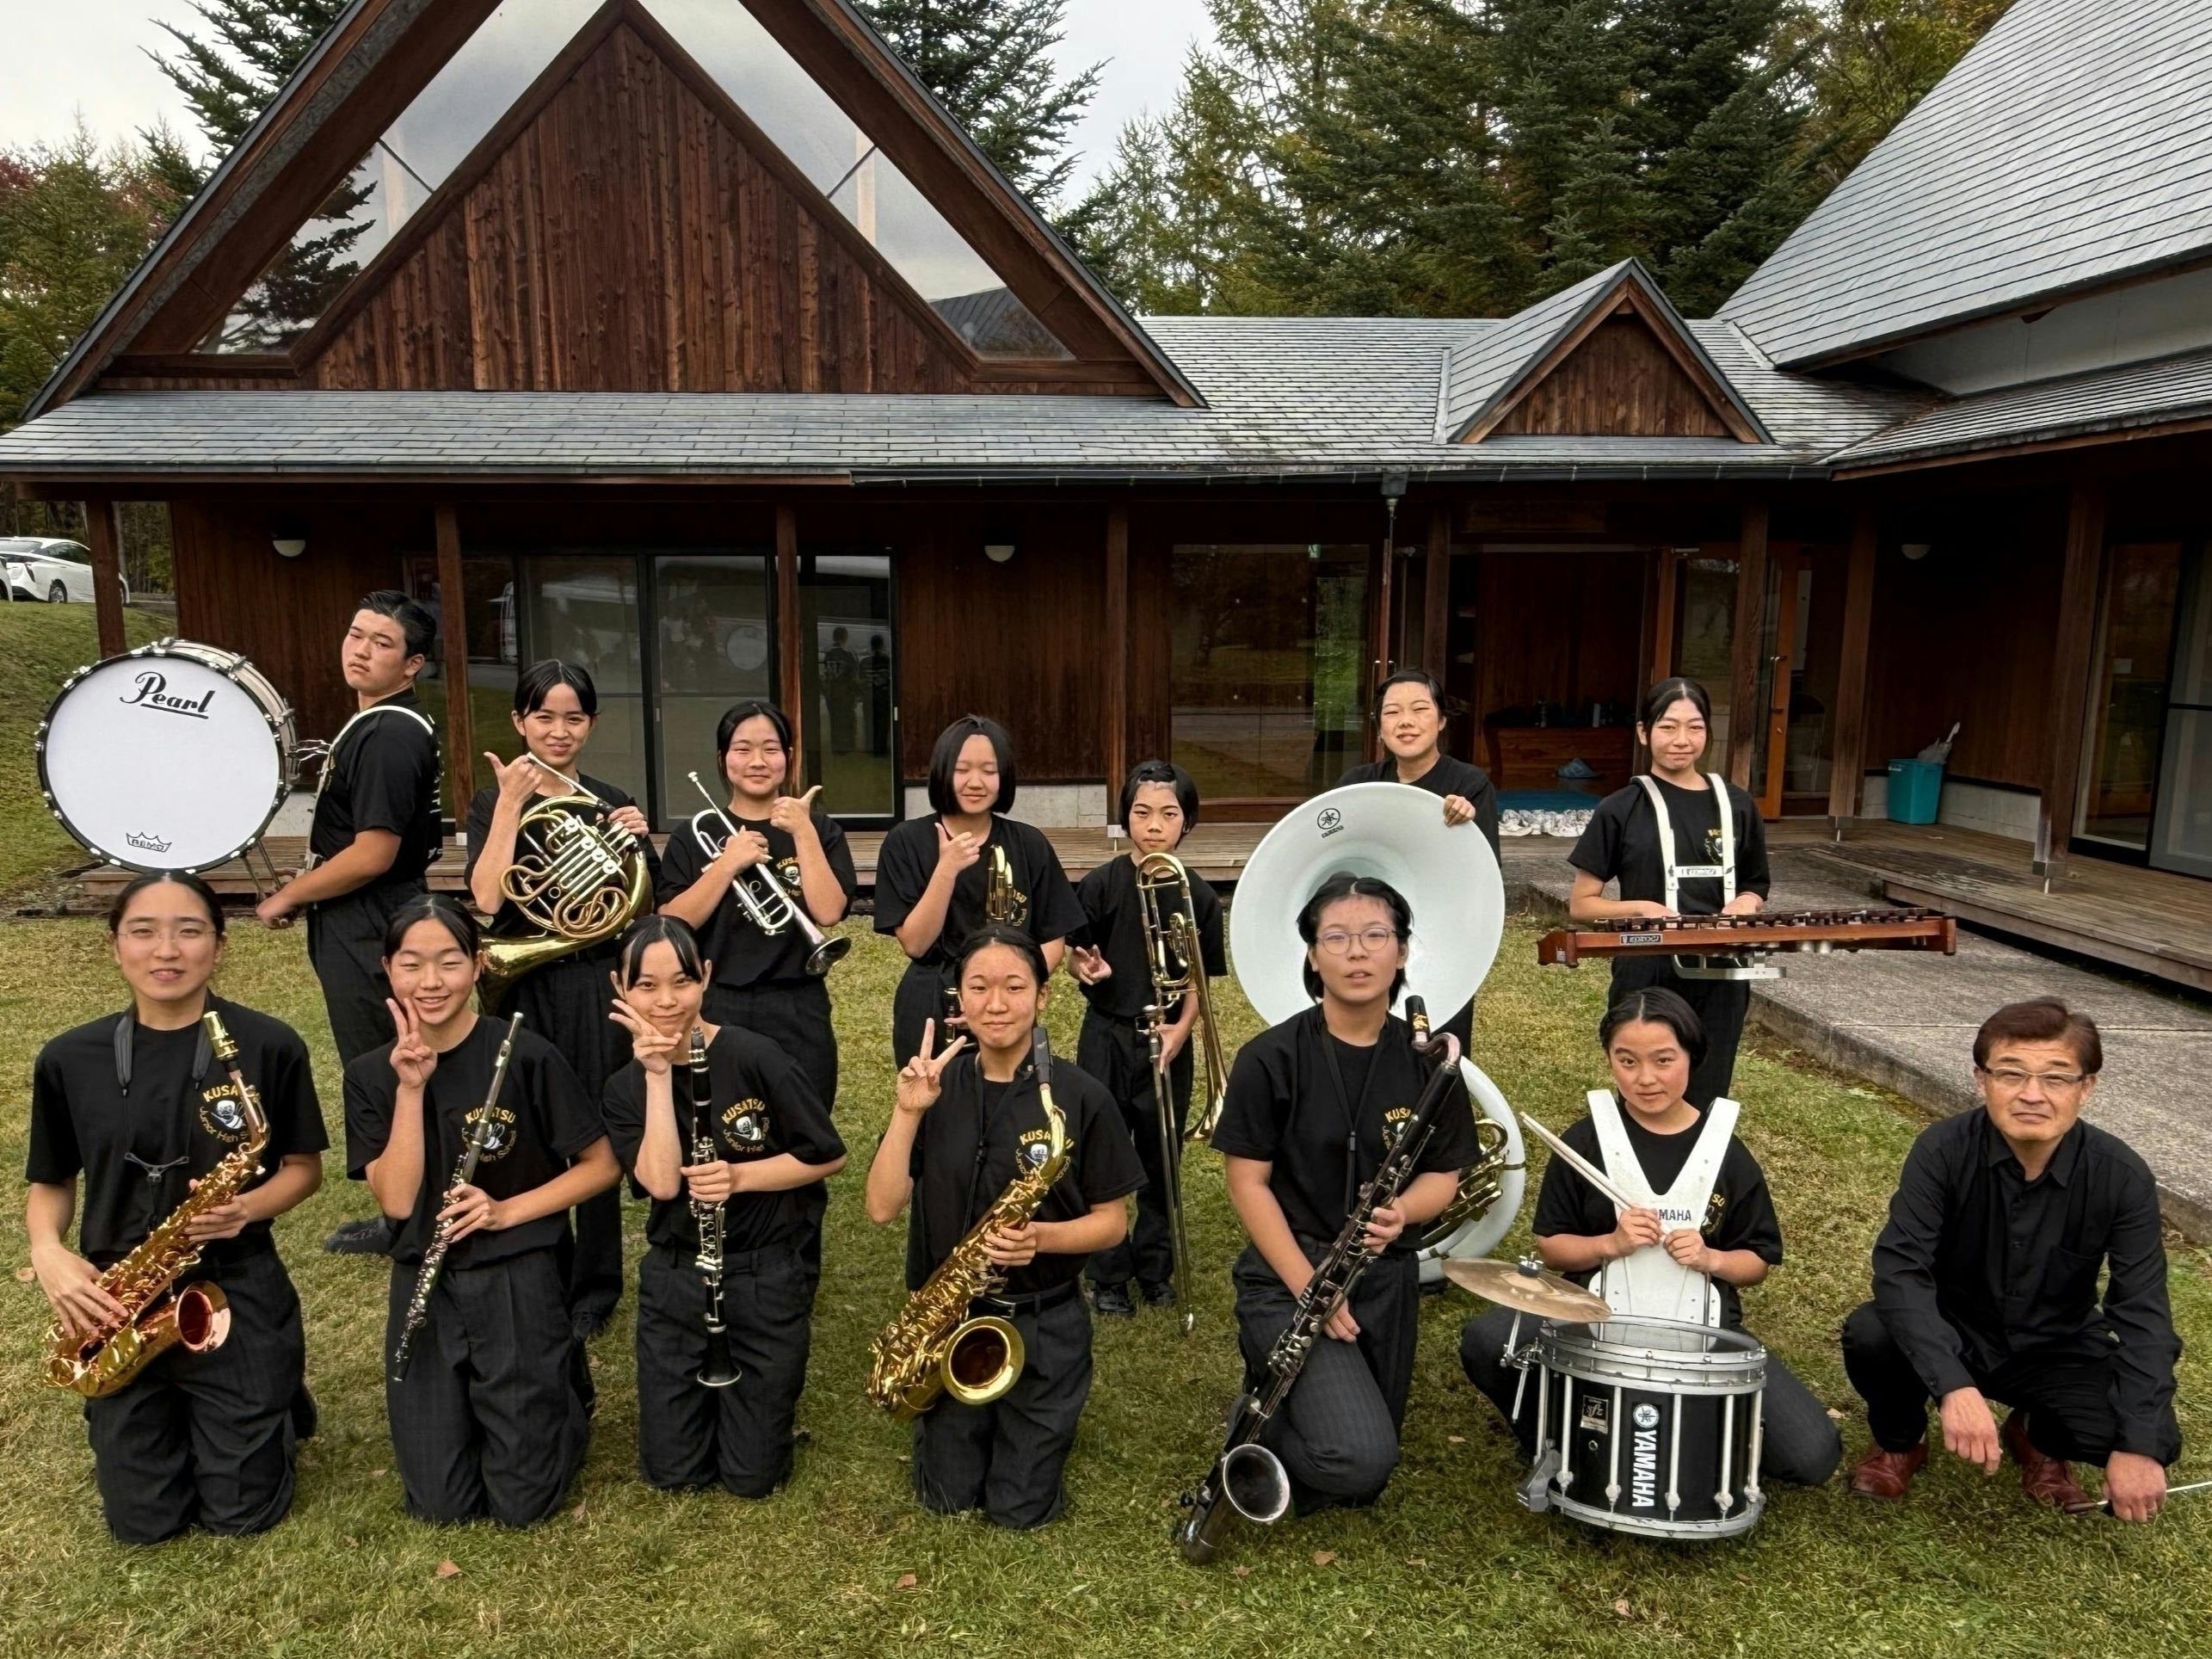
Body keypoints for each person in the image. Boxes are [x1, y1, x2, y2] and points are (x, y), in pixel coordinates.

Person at [27, 872, 325, 1545]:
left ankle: (272, 1402)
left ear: (218, 946)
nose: (167, 950)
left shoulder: (269, 1045)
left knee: (241, 1516)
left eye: (189, 931)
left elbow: (303, 1170)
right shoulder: (69, 1057)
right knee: (143, 1523)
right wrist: (47, 1250)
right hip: (120, 1301)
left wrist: (245, 1208)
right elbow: (50, 1179)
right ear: (115, 946)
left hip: (234, 1283)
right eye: (144, 932)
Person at [1457, 987, 1840, 1488]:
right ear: (1609, 1060)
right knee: (1489, 1341)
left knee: (1810, 1455)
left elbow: (1757, 1261)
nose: (1645, 1078)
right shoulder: (1586, 1139)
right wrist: (1609, 1245)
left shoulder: (1726, 1152)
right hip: (1591, 1316)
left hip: (1702, 1329)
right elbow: (1552, 1246)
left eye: (1664, 1060)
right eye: (1627, 1061)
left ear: (1691, 1057)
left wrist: (1712, 1259)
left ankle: (1699, 1436)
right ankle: (1562, 1438)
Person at [1843, 998, 2182, 1520]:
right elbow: (1901, 1272)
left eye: (2056, 1078)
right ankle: (1901, 1441)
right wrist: (1953, 1385)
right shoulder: (1942, 1150)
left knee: (2146, 1436)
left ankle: (2036, 1435)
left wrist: (2138, 1446)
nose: (2032, 1094)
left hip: (2056, 1345)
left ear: (2086, 1087)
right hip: (1955, 1329)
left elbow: (2144, 1314)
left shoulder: (2122, 1176)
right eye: (2011, 1074)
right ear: (1982, 1080)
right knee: (1873, 1333)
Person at [347, 896, 620, 1527]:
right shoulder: (370, 1074)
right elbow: (396, 1201)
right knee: (440, 1505)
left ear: (477, 965)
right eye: (412, 964)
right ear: (388, 969)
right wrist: (410, 1089)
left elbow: (601, 1165)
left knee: (523, 1504)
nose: (431, 981)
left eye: (449, 962)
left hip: (516, 1269)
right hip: (425, 1276)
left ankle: (563, 1393)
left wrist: (506, 1211)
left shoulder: (525, 1052)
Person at [1207, 873, 1476, 1514]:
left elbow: (1445, 1175)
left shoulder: (1431, 1064)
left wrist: (1403, 1212)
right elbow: (1247, 1182)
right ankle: (1255, 1428)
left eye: (1375, 935)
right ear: (1312, 955)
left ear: (1401, 952)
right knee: (1358, 1461)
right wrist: (1311, 1289)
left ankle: (1273, 1406)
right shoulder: (1269, 1057)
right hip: (1290, 1274)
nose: (1356, 952)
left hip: (1382, 1278)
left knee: (1363, 1479)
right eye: (1336, 938)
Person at [864, 926, 1143, 1528]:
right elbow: (881, 1207)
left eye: (1014, 987)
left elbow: (1112, 1225)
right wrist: (907, 1111)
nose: (996, 1004)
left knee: (1020, 1510)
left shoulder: (1081, 1097)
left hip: (1045, 1321)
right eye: (979, 987)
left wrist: (1041, 1238)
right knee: (947, 1498)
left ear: (1043, 996)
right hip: (952, 1320)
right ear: (958, 998)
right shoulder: (936, 1091)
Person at [602, 916, 846, 1496]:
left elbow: (825, 1155)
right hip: (677, 1277)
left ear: (706, 977)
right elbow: (662, 1184)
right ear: (620, 987)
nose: (666, 1001)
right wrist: (656, 1076)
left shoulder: (757, 1055)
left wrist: (740, 1176)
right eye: (646, 986)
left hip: (764, 1272)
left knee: (752, 1477)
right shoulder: (623, 1087)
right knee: (673, 1474)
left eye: (682, 981)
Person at [465, 660, 658, 1339]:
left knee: (597, 1126)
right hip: (527, 982)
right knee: (533, 1123)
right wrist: (510, 806)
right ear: (519, 722)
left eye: (573, 718)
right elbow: (486, 898)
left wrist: (636, 841)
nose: (558, 730)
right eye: (543, 716)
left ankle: (596, 1286)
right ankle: (542, 1262)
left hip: (594, 980)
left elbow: (640, 905)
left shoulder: (607, 798)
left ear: (591, 724)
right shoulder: (493, 800)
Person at [1066, 759, 1226, 1317]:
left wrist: (1183, 1028)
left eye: (1168, 814)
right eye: (1142, 812)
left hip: (1169, 1042)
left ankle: (1155, 1268)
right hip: (1106, 1035)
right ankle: (1107, 1273)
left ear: (1187, 822)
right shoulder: (1100, 884)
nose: (1154, 825)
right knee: (1102, 1154)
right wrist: (1083, 968)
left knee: (1163, 1157)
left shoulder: (1197, 895)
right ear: (1125, 818)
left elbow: (1199, 982)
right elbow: (1074, 956)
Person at [258, 590, 443, 1065]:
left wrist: (288, 895)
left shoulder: (389, 734)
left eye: (382, 643)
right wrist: (312, 882)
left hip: (371, 918)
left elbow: (373, 854)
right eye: (356, 635)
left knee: (380, 1065)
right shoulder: (381, 722)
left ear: (412, 664)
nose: (361, 651)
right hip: (366, 910)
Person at [1567, 675, 1769, 1107]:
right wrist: (1643, 908)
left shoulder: (1737, 804)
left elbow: (1755, 882)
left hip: (1721, 972)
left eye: (1695, 728)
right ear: (1644, 732)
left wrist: (1744, 902)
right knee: (1646, 1087)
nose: (1682, 740)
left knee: (1708, 1089)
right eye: (1668, 727)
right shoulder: (1621, 808)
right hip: (1647, 968)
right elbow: (1582, 905)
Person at [656, 700, 854, 1117]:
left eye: (771, 749)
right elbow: (673, 922)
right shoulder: (694, 834)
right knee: (726, 1120)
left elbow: (829, 912)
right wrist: (727, 864)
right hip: (718, 1002)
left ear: (789, 756)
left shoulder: (819, 829)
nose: (758, 761)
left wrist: (803, 831)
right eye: (743, 749)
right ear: (722, 758)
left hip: (798, 1001)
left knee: (804, 1118)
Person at [872, 715, 1084, 1070]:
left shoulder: (1029, 843)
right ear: (943, 772)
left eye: (989, 771)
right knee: (932, 1098)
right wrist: (947, 868)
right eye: (962, 770)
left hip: (1007, 1004)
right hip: (933, 1000)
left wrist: (1007, 991)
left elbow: (1052, 939)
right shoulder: (905, 841)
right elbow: (916, 944)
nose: (975, 782)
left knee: (1014, 1097)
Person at [1336, 669, 1498, 1052]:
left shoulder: (1469, 786)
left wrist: (1465, 826)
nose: (1406, 721)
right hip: (1368, 931)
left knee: (1437, 1045)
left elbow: (1485, 874)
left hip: (1444, 935)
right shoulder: (1358, 784)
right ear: (1379, 728)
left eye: (1420, 709)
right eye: (1392, 712)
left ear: (1441, 721)